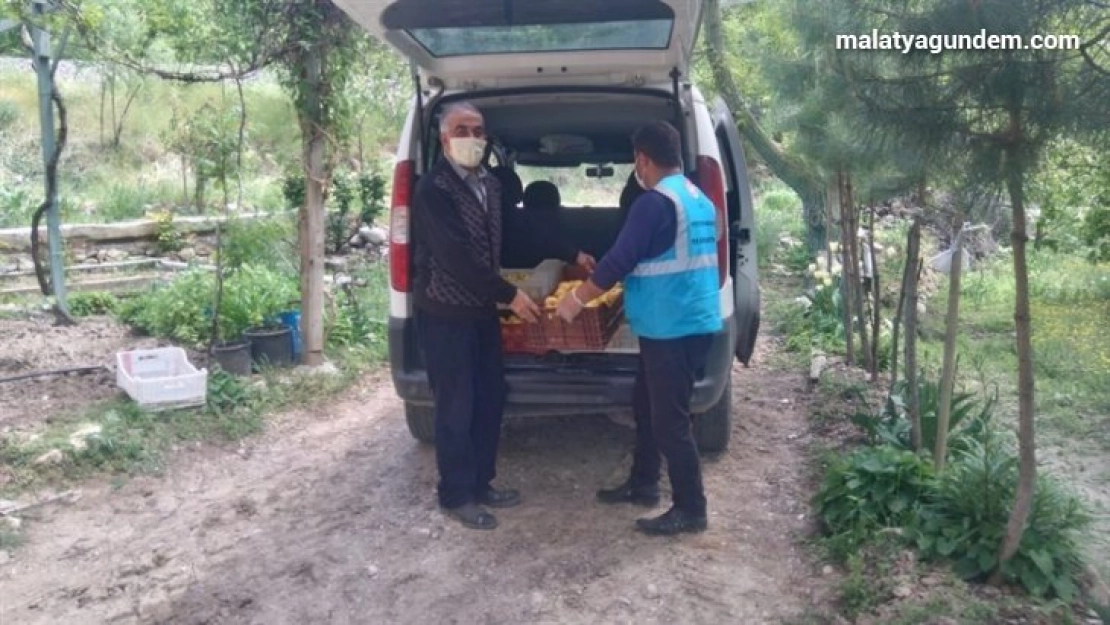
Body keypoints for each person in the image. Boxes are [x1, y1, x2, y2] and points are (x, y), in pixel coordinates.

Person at [556, 120, 722, 536]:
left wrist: (576, 300)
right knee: (646, 404)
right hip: (689, 321)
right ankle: (644, 483)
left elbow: (618, 260)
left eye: (637, 162)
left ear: (642, 160)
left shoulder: (653, 202)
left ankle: (691, 508)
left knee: (670, 421)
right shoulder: (697, 198)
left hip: (672, 327)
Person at [409, 102, 544, 531]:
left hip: (483, 312)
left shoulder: (489, 184)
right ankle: (456, 495)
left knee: (490, 398)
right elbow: (455, 258)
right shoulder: (435, 190)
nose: (472, 137)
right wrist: (511, 295)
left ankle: (483, 482)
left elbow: (514, 236)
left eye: (478, 130)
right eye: (462, 130)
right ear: (445, 140)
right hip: (446, 313)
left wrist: (567, 250)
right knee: (456, 405)